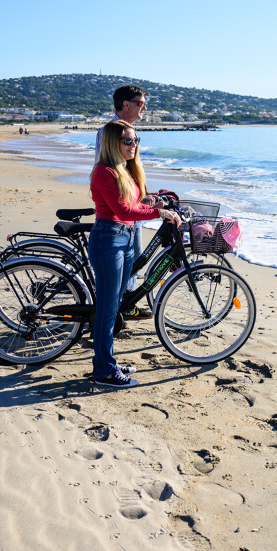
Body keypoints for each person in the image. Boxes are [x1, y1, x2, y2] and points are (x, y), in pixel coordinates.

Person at [89, 120, 180, 388]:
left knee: (115, 305)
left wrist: (150, 202)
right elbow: (122, 212)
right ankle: (104, 370)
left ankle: (107, 361)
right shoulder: (104, 172)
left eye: (136, 140)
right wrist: (159, 213)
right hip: (109, 239)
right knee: (107, 310)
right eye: (128, 141)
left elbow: (131, 204)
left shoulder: (125, 170)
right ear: (112, 143)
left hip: (125, 238)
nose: (133, 145)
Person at [94, 85, 152, 316]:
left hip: (130, 203)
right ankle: (119, 307)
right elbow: (109, 170)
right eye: (140, 103)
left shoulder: (128, 132)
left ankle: (122, 305)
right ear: (125, 105)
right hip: (119, 210)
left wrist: (146, 195)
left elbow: (132, 170)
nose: (144, 107)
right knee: (127, 260)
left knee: (134, 257)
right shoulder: (112, 132)